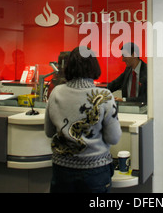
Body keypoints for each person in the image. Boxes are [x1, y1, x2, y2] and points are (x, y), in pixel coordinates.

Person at [45, 46, 121, 193]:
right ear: (94, 66)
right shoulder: (105, 96)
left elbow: (49, 132)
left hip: (62, 170)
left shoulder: (56, 92)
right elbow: (113, 138)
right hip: (95, 171)